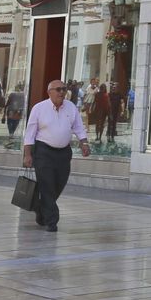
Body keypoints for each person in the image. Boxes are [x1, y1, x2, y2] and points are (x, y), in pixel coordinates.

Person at [22, 80, 92, 232]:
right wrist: (27, 155)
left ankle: (41, 212)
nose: (62, 92)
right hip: (43, 152)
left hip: (63, 153)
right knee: (47, 184)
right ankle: (52, 221)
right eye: (58, 89)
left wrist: (84, 143)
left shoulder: (71, 107)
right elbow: (29, 134)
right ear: (49, 92)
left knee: (58, 184)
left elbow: (79, 128)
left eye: (64, 89)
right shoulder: (39, 108)